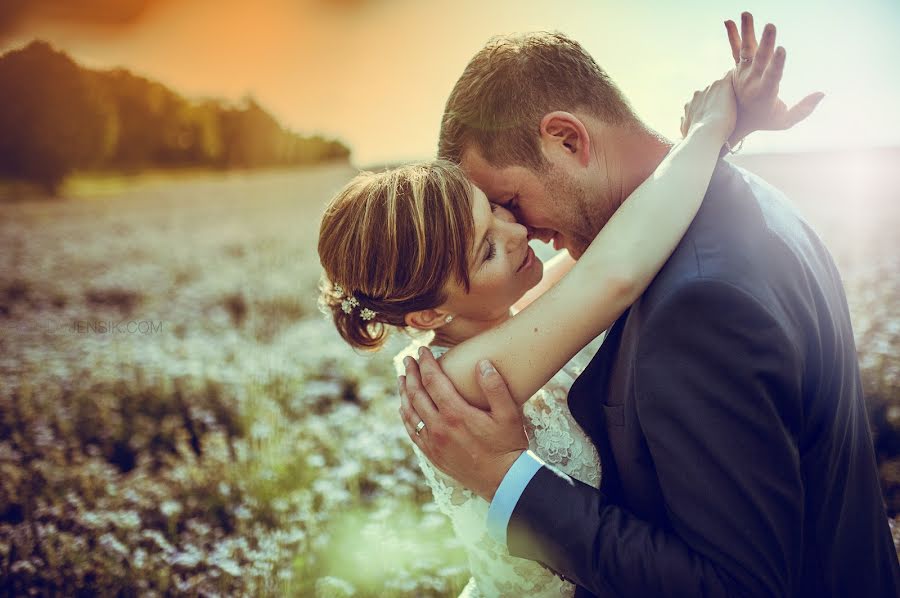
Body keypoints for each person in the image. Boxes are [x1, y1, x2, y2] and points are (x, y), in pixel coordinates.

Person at [319, 14, 827, 596]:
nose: (520, 234)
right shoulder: (459, 379)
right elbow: (611, 272)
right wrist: (709, 127)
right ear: (429, 315)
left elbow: (617, 237)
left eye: (502, 209)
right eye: (487, 247)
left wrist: (723, 136)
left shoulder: (506, 316)